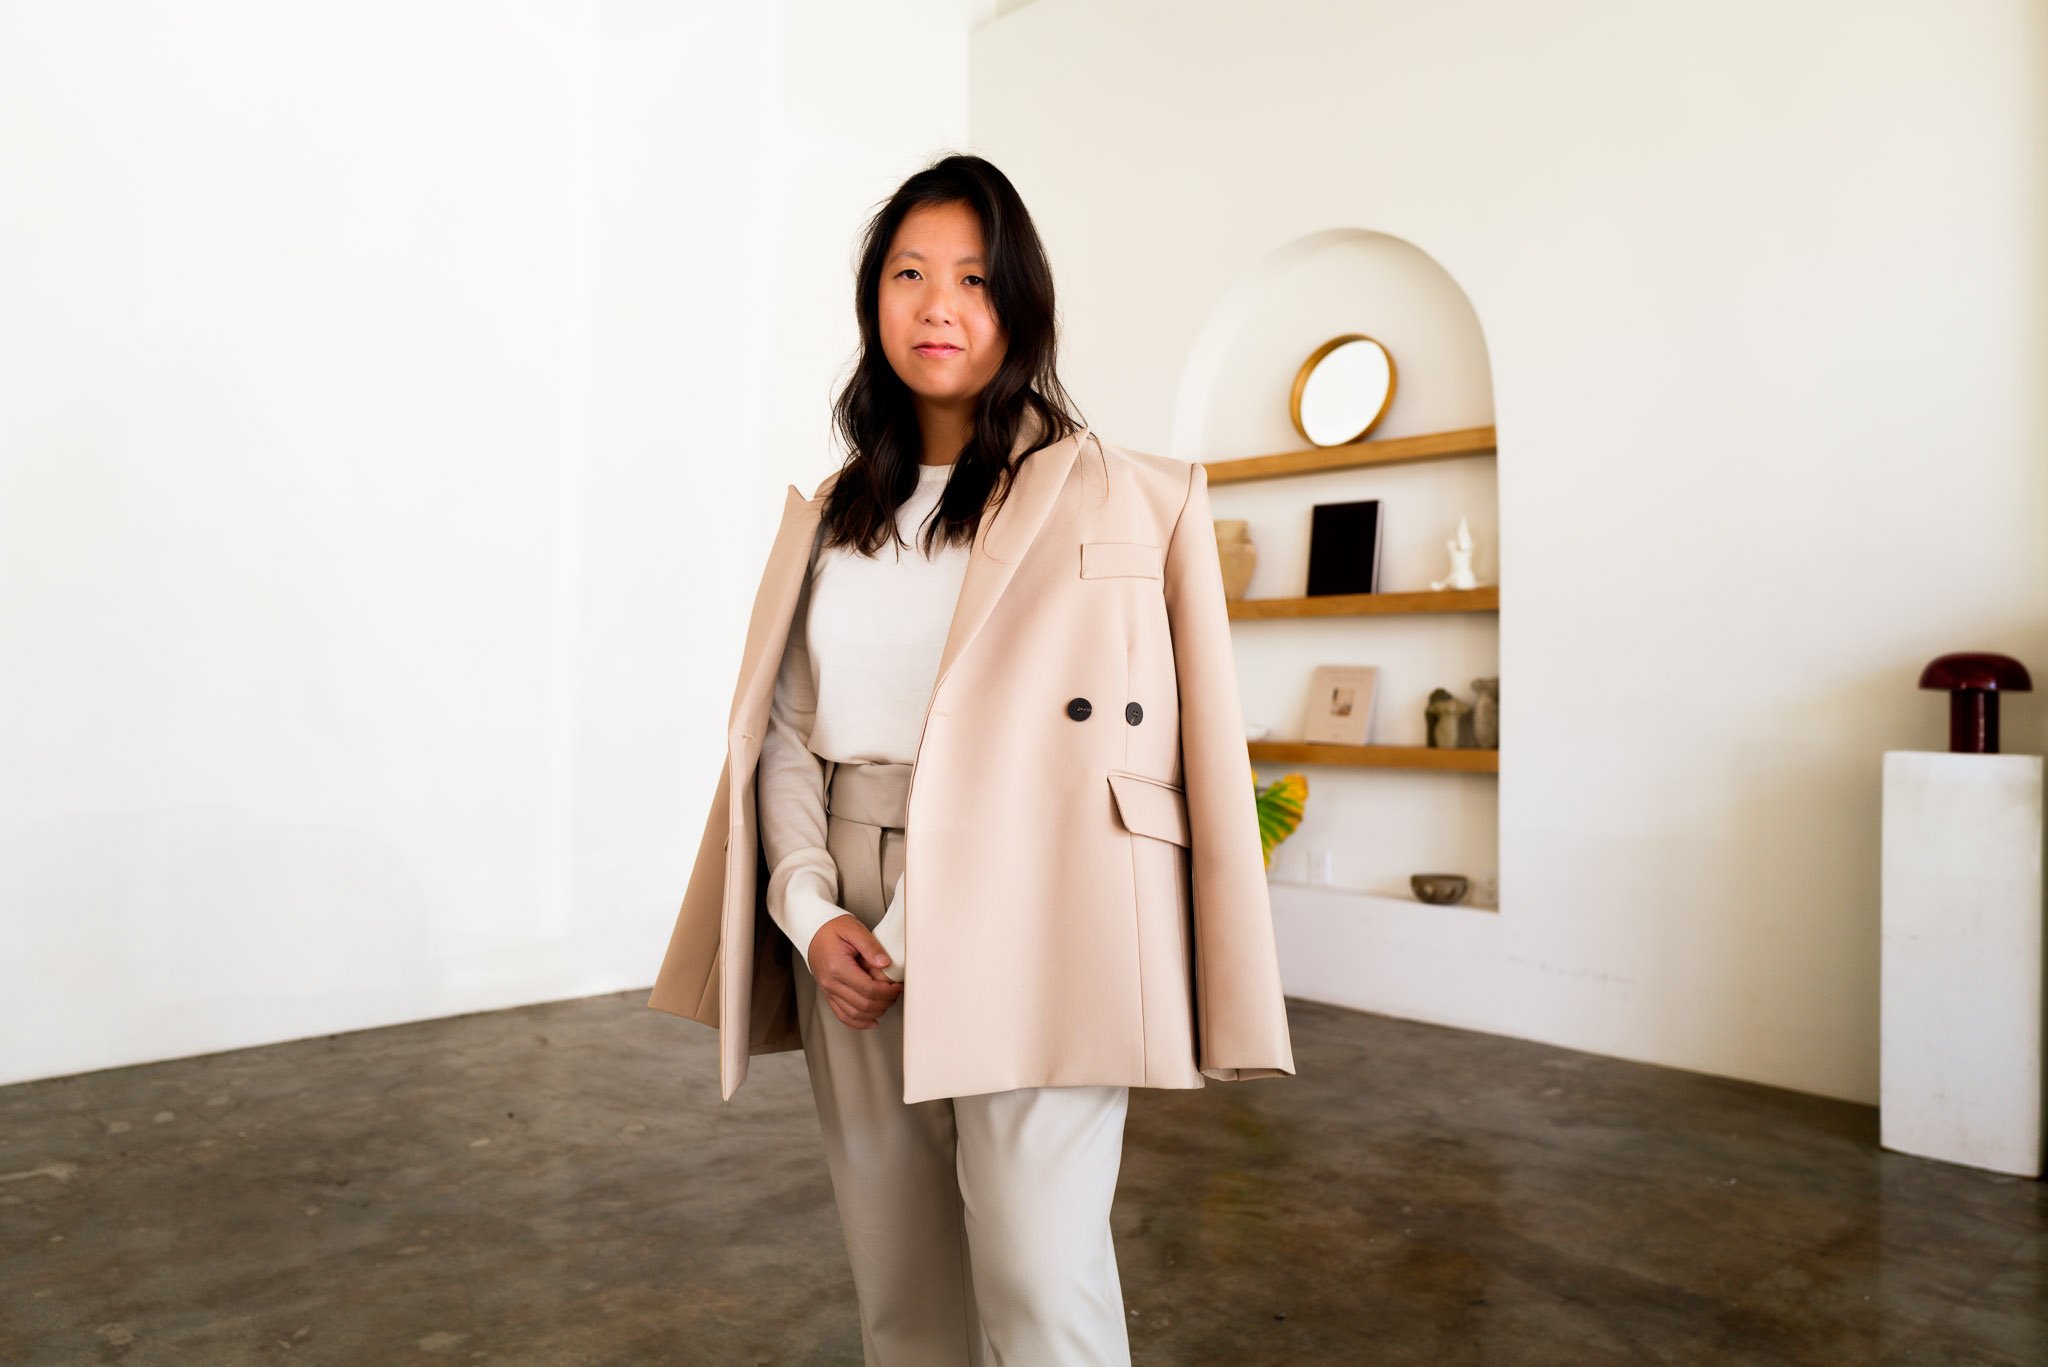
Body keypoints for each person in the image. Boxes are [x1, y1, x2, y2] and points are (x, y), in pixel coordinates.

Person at [759, 154, 1132, 1365]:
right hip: (850, 905)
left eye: (973, 279)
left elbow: (1075, 744)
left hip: (1031, 897)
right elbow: (783, 728)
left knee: (1039, 1274)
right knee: (902, 1287)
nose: (937, 306)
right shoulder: (834, 512)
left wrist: (923, 923)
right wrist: (810, 908)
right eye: (909, 274)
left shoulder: (1085, 497)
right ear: (873, 300)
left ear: (1018, 305)